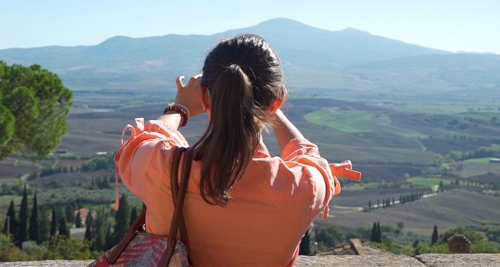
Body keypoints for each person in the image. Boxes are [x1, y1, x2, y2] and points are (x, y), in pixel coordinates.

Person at [115, 34, 360, 266]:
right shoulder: (304, 187)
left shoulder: (161, 168)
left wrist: (180, 108)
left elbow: (145, 140)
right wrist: (271, 108)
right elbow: (309, 158)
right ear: (277, 100)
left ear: (205, 97)